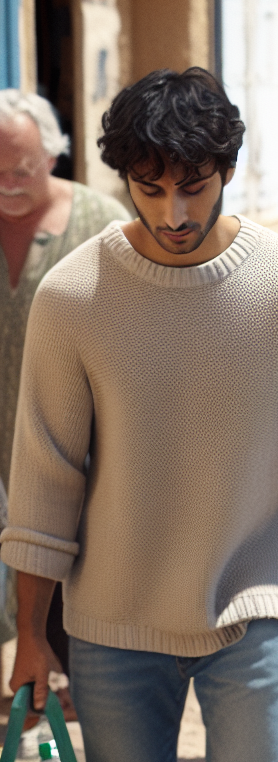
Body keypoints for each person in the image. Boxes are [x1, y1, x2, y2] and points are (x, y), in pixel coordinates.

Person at [0, 68, 278, 762]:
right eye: (151, 186)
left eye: (195, 184)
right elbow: (45, 480)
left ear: (227, 171)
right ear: (123, 180)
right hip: (109, 617)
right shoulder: (75, 295)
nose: (175, 209)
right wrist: (30, 635)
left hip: (256, 603)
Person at [0, 90, 130, 666]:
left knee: (73, 550)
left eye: (21, 168)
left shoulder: (102, 223)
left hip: (77, 431)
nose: (7, 182)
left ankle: (73, 674)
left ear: (53, 155)